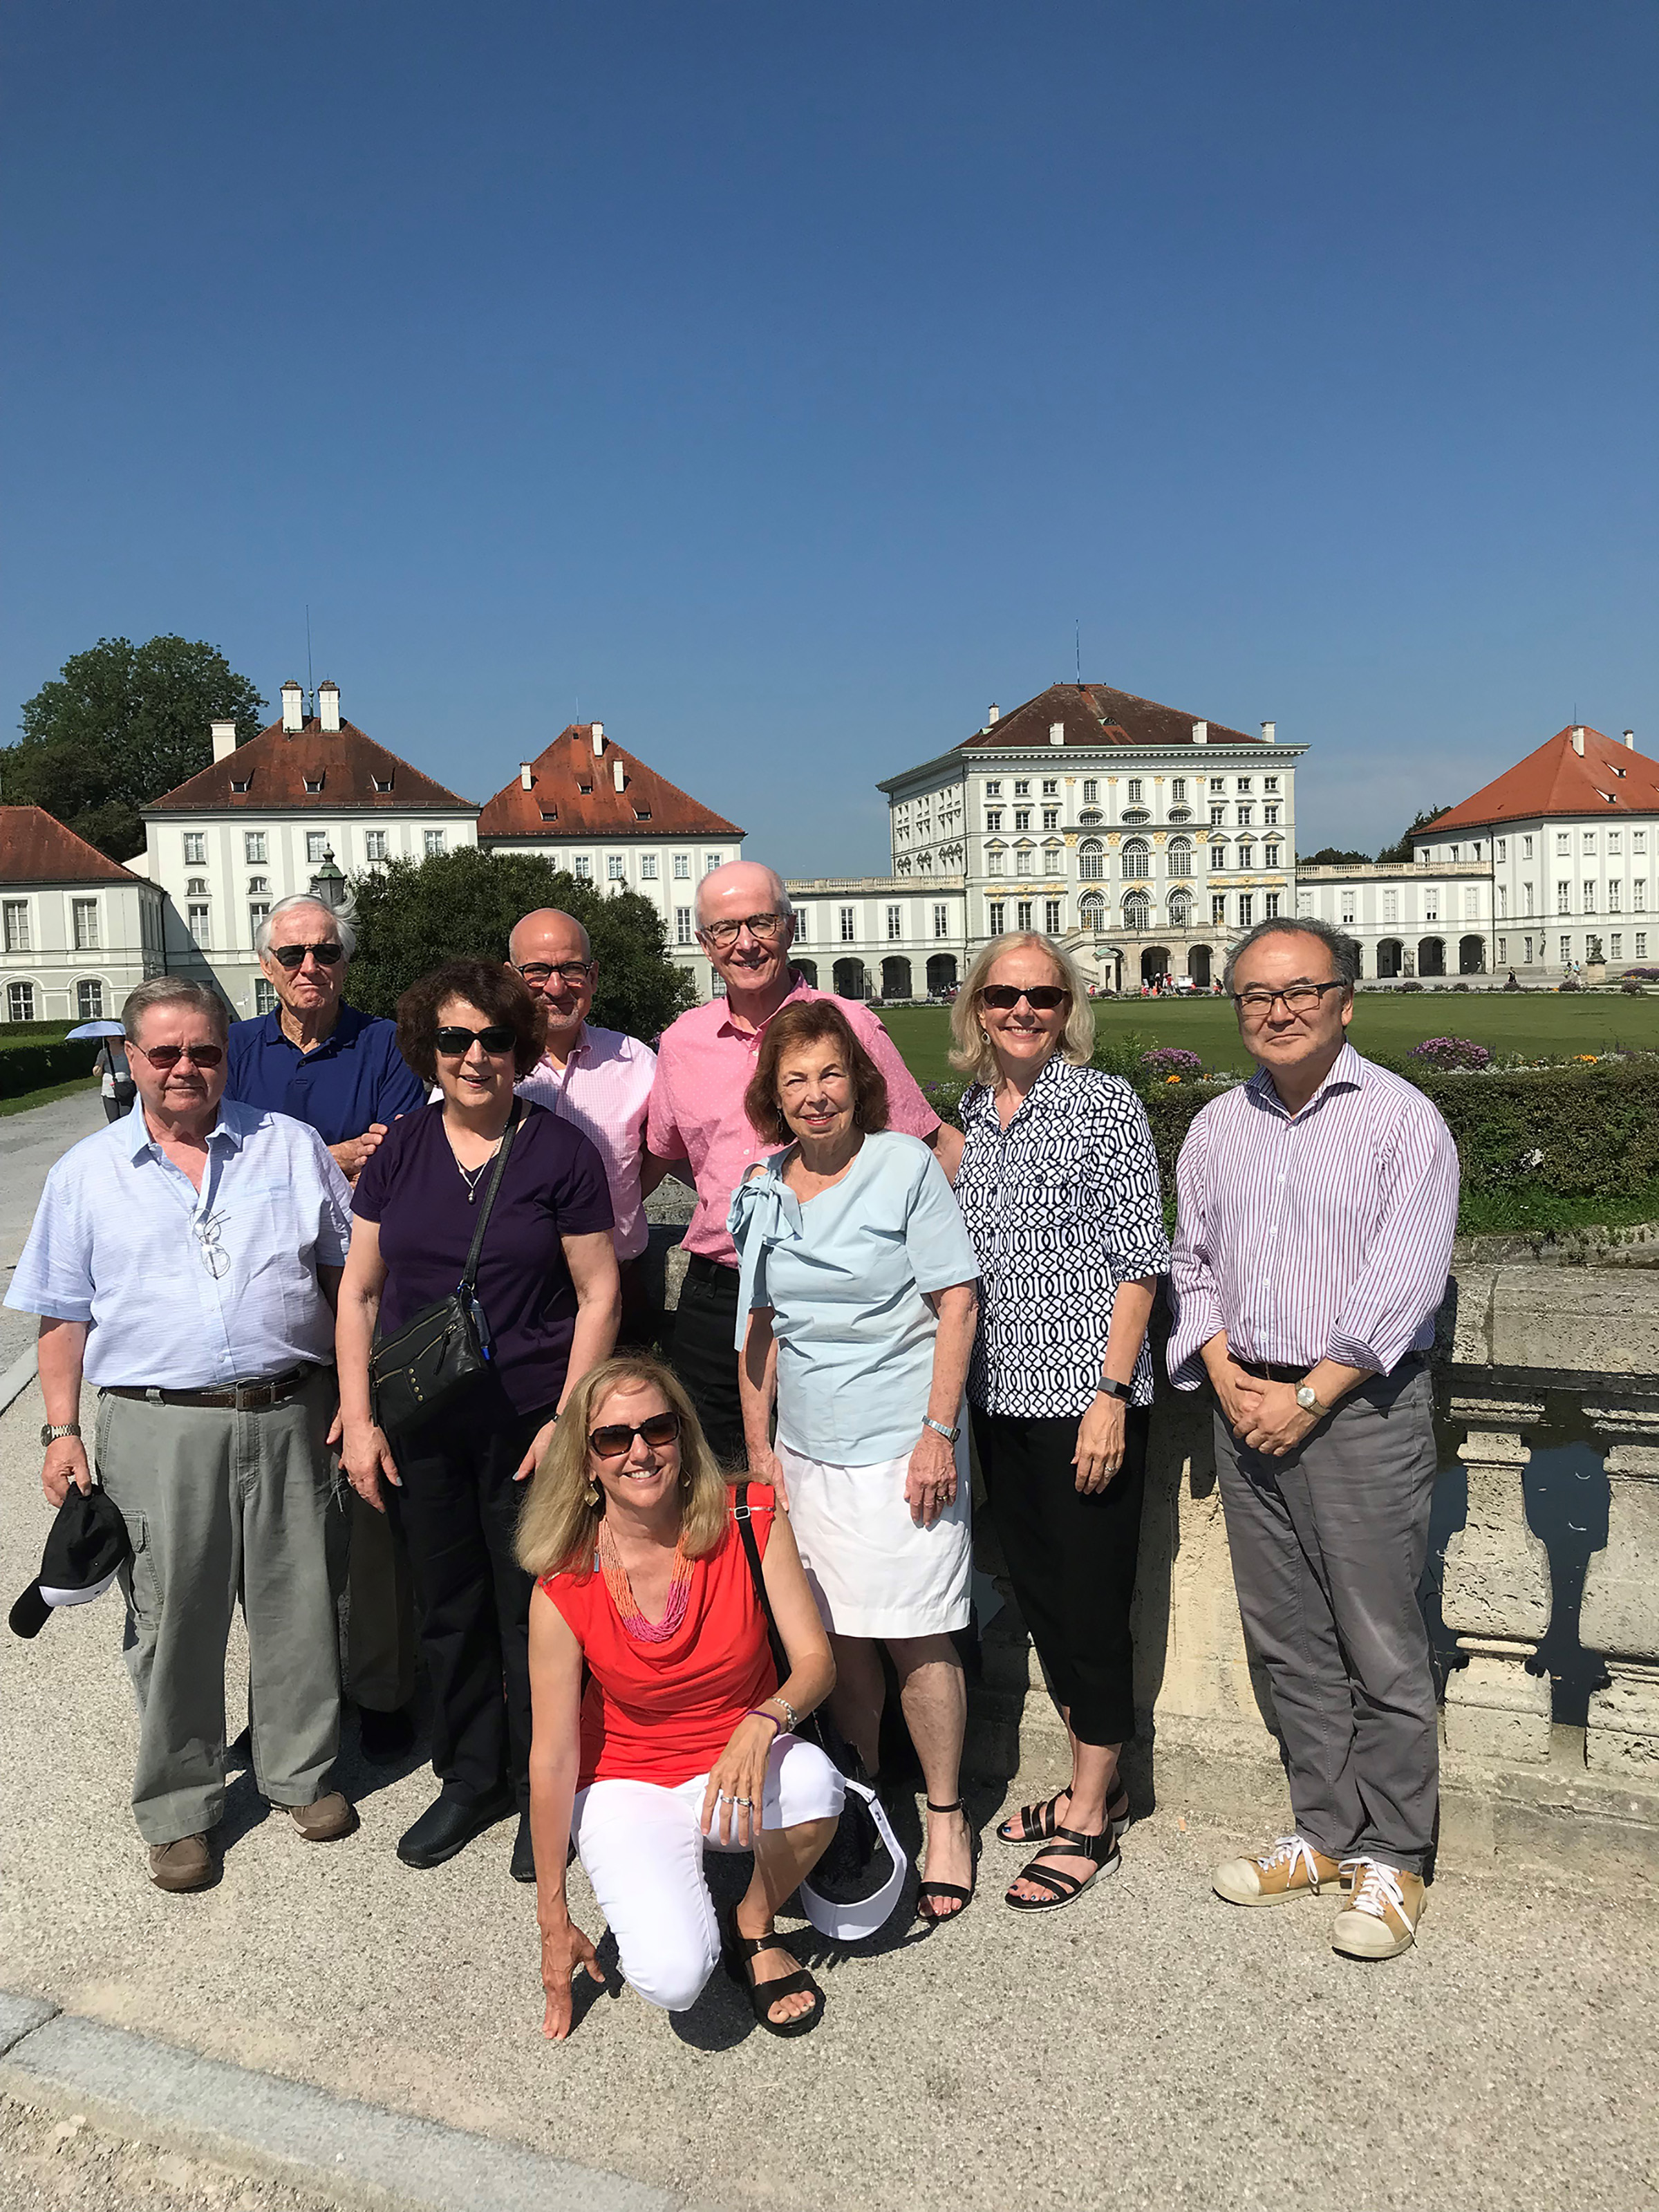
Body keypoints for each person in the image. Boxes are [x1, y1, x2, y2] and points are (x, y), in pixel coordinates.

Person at [6, 977, 357, 1893]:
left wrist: (352, 1403)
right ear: (131, 1059)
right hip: (155, 1424)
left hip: (289, 1410)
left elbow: (344, 1283)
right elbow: (59, 1315)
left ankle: (300, 1771)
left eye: (203, 1051)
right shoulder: (87, 1173)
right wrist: (59, 1429)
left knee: (298, 1605)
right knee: (172, 1618)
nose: (185, 1069)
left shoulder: (290, 1148)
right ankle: (180, 1806)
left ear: (226, 1054)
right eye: (164, 1053)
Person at [1168, 917, 1458, 1960]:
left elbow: (1405, 1281)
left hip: (1359, 1409)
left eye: (1300, 991)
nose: (1277, 1011)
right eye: (1255, 995)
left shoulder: (1401, 1121)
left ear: (1344, 1000)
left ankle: (1396, 1855)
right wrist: (1224, 1372)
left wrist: (1311, 1395)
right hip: (1246, 1403)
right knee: (1287, 1634)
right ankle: (1325, 1831)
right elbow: (1190, 1261)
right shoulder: (1218, 1126)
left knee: (1380, 1641)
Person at [333, 959, 621, 1882]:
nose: (474, 1057)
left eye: (494, 1039)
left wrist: (571, 1424)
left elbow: (599, 1291)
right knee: (447, 1605)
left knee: (536, 1611)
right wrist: (358, 1416)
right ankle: (469, 1776)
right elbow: (360, 1290)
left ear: (519, 1048)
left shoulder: (560, 1151)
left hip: (529, 1422)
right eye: (454, 1039)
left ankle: (549, 1785)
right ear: (431, 1046)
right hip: (421, 1420)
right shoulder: (404, 1149)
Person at [731, 1000, 981, 1924]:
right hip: (807, 1456)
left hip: (899, 1449)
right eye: (794, 1080)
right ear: (774, 1096)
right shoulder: (762, 1184)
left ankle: (946, 1817)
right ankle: (867, 1796)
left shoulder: (904, 1166)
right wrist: (762, 1456)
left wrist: (936, 1433)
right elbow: (757, 1331)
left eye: (830, 1074)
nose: (815, 1094)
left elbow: (957, 1304)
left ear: (859, 1081)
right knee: (836, 1638)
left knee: (916, 1632)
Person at [521, 1356, 843, 2038]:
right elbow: (551, 1757)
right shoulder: (562, 1581)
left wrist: (763, 1721)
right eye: (613, 1437)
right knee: (675, 1978)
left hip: (739, 1764)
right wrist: (554, 1915)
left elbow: (816, 1662)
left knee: (817, 1786)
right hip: (627, 1781)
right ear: (586, 1460)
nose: (639, 1450)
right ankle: (670, 1882)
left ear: (682, 1435)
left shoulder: (751, 1514)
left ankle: (752, 1921)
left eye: (656, 1428)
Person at [950, 933, 1168, 1913]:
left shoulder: (1103, 1103)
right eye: (1005, 994)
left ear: (1069, 1005)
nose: (1024, 1010)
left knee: (1089, 1606)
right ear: (978, 1007)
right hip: (1000, 1397)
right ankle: (1098, 1777)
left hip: (1084, 1401)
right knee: (1039, 1596)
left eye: (1043, 995)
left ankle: (1092, 1812)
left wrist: (1111, 1398)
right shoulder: (975, 1114)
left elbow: (1138, 1262)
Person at [646, 860, 963, 1467]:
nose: (746, 943)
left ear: (789, 928)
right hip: (718, 1293)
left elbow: (928, 1148)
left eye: (761, 922)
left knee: (830, 1482)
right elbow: (667, 1158)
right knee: (721, 1490)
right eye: (725, 929)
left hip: (832, 1292)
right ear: (703, 943)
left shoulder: (847, 1025)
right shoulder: (682, 1042)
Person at [224, 892, 431, 1761]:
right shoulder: (232, 1047)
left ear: (346, 961)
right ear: (267, 964)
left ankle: (383, 1684)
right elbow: (214, 1155)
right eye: (294, 953)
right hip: (262, 1303)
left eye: (327, 952)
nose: (312, 967)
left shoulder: (383, 1043)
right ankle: (282, 1699)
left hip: (366, 1296)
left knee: (371, 1502)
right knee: (271, 1531)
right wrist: (330, 1153)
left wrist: (289, 1150)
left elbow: (393, 1155)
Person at [507, 907, 668, 1347]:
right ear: (511, 978)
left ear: (593, 976)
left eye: (572, 970)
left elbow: (665, 1147)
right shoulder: (482, 1060)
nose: (556, 987)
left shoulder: (635, 1061)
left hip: (619, 1286)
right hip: (512, 1297)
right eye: (537, 971)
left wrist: (623, 1194)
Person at [93, 1035, 135, 1121]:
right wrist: (101, 1063)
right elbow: (96, 1074)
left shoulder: (127, 1051)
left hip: (125, 1090)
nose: (111, 1038)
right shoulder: (103, 1053)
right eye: (109, 1037)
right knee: (113, 1121)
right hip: (108, 1092)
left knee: (126, 1119)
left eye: (114, 1036)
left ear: (120, 1037)